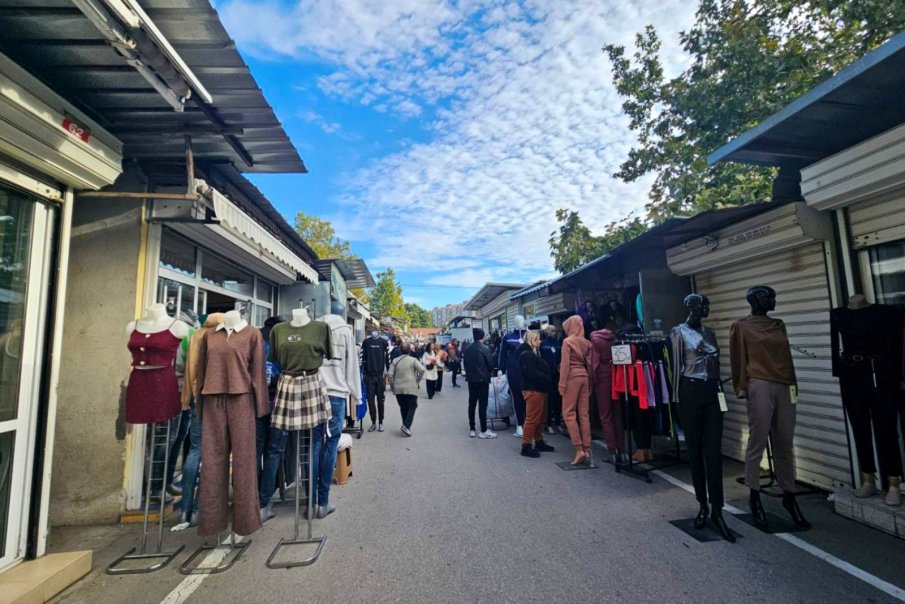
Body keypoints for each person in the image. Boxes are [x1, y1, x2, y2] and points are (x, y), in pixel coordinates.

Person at [256, 316, 289, 522]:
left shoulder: (253, 343)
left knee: (255, 451)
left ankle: (252, 499)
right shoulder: (282, 346)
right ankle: (264, 501)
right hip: (278, 403)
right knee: (274, 452)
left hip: (256, 403)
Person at [560, 315, 593, 465]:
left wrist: (561, 384)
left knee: (568, 413)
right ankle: (587, 448)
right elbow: (590, 365)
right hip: (584, 376)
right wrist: (590, 383)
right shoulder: (587, 343)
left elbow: (565, 365)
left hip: (572, 377)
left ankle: (579, 449)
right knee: (584, 414)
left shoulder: (567, 342)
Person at [519, 330, 555, 458]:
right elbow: (531, 372)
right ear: (532, 340)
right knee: (532, 419)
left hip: (538, 390)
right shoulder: (527, 354)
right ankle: (526, 445)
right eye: (538, 339)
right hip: (533, 390)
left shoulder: (531, 353)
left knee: (538, 419)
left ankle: (538, 441)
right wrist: (546, 378)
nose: (540, 341)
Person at [464, 328, 497, 438]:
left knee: (472, 404)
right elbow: (490, 365)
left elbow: (465, 364)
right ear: (482, 337)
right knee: (482, 405)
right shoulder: (485, 348)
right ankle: (483, 430)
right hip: (483, 380)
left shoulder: (467, 349)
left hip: (471, 380)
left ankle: (472, 429)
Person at [388, 342, 426, 436]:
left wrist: (392, 385)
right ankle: (406, 426)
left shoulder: (395, 361)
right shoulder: (413, 360)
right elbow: (422, 370)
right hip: (411, 387)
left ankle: (405, 425)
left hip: (398, 388)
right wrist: (417, 380)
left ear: (400, 350)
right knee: (412, 406)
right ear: (409, 350)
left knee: (403, 407)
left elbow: (389, 374)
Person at [361, 331, 388, 432]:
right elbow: (362, 358)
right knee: (370, 401)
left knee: (380, 401)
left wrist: (387, 374)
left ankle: (381, 422)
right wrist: (362, 373)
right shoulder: (366, 342)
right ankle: (373, 422)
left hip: (380, 376)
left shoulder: (384, 342)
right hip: (369, 376)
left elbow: (387, 359)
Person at [540, 325, 563, 434]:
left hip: (557, 375)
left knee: (557, 399)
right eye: (550, 331)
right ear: (546, 332)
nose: (552, 333)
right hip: (547, 375)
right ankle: (548, 424)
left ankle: (558, 423)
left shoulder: (558, 343)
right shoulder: (543, 344)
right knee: (548, 400)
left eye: (554, 331)